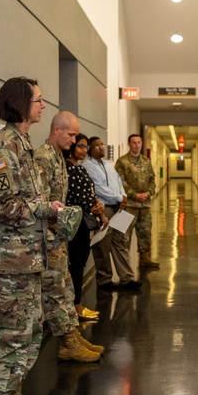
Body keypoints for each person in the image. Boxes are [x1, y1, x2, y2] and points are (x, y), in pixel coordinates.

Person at [0, 77, 61, 395]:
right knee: (6, 337)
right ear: (20, 103)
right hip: (7, 264)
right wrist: (47, 208)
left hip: (26, 260)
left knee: (26, 335)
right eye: (39, 100)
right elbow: (4, 206)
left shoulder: (23, 146)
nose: (44, 106)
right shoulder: (1, 149)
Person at [34, 112, 103, 362]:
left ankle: (72, 336)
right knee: (56, 290)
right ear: (56, 130)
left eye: (76, 135)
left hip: (59, 237)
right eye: (71, 135)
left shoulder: (58, 158)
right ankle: (68, 342)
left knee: (64, 288)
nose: (74, 141)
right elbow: (40, 202)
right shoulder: (43, 157)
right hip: (48, 239)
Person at [83, 137, 141, 291]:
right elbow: (98, 189)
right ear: (89, 149)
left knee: (121, 242)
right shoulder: (88, 166)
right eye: (96, 146)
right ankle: (104, 280)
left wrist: (123, 198)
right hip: (105, 209)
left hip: (119, 208)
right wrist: (119, 197)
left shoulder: (108, 165)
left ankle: (127, 278)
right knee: (102, 245)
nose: (101, 148)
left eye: (102, 145)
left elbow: (118, 182)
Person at [65, 134, 106, 322]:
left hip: (86, 220)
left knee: (79, 264)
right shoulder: (68, 169)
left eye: (86, 147)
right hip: (77, 223)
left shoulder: (79, 168)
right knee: (76, 265)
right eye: (81, 146)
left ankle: (77, 304)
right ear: (72, 147)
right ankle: (76, 306)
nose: (84, 150)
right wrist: (100, 212)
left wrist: (98, 204)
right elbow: (83, 197)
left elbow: (90, 193)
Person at [115, 133, 160, 270]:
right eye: (133, 142)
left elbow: (152, 179)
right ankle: (124, 262)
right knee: (124, 235)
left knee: (145, 232)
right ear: (129, 144)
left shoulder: (146, 161)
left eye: (139, 142)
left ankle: (145, 259)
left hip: (144, 205)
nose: (136, 145)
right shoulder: (122, 162)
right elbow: (120, 181)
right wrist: (134, 194)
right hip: (128, 205)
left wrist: (149, 193)